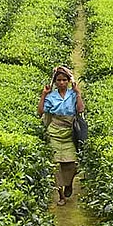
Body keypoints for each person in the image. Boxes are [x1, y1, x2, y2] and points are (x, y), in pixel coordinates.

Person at [37, 65, 85, 206]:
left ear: (68, 81)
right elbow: (40, 112)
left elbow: (81, 109)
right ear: (55, 82)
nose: (62, 82)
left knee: (72, 164)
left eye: (64, 80)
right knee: (55, 166)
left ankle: (69, 184)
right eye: (59, 80)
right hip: (55, 132)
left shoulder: (72, 94)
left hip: (70, 133)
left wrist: (78, 93)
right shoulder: (51, 96)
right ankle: (61, 196)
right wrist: (44, 95)